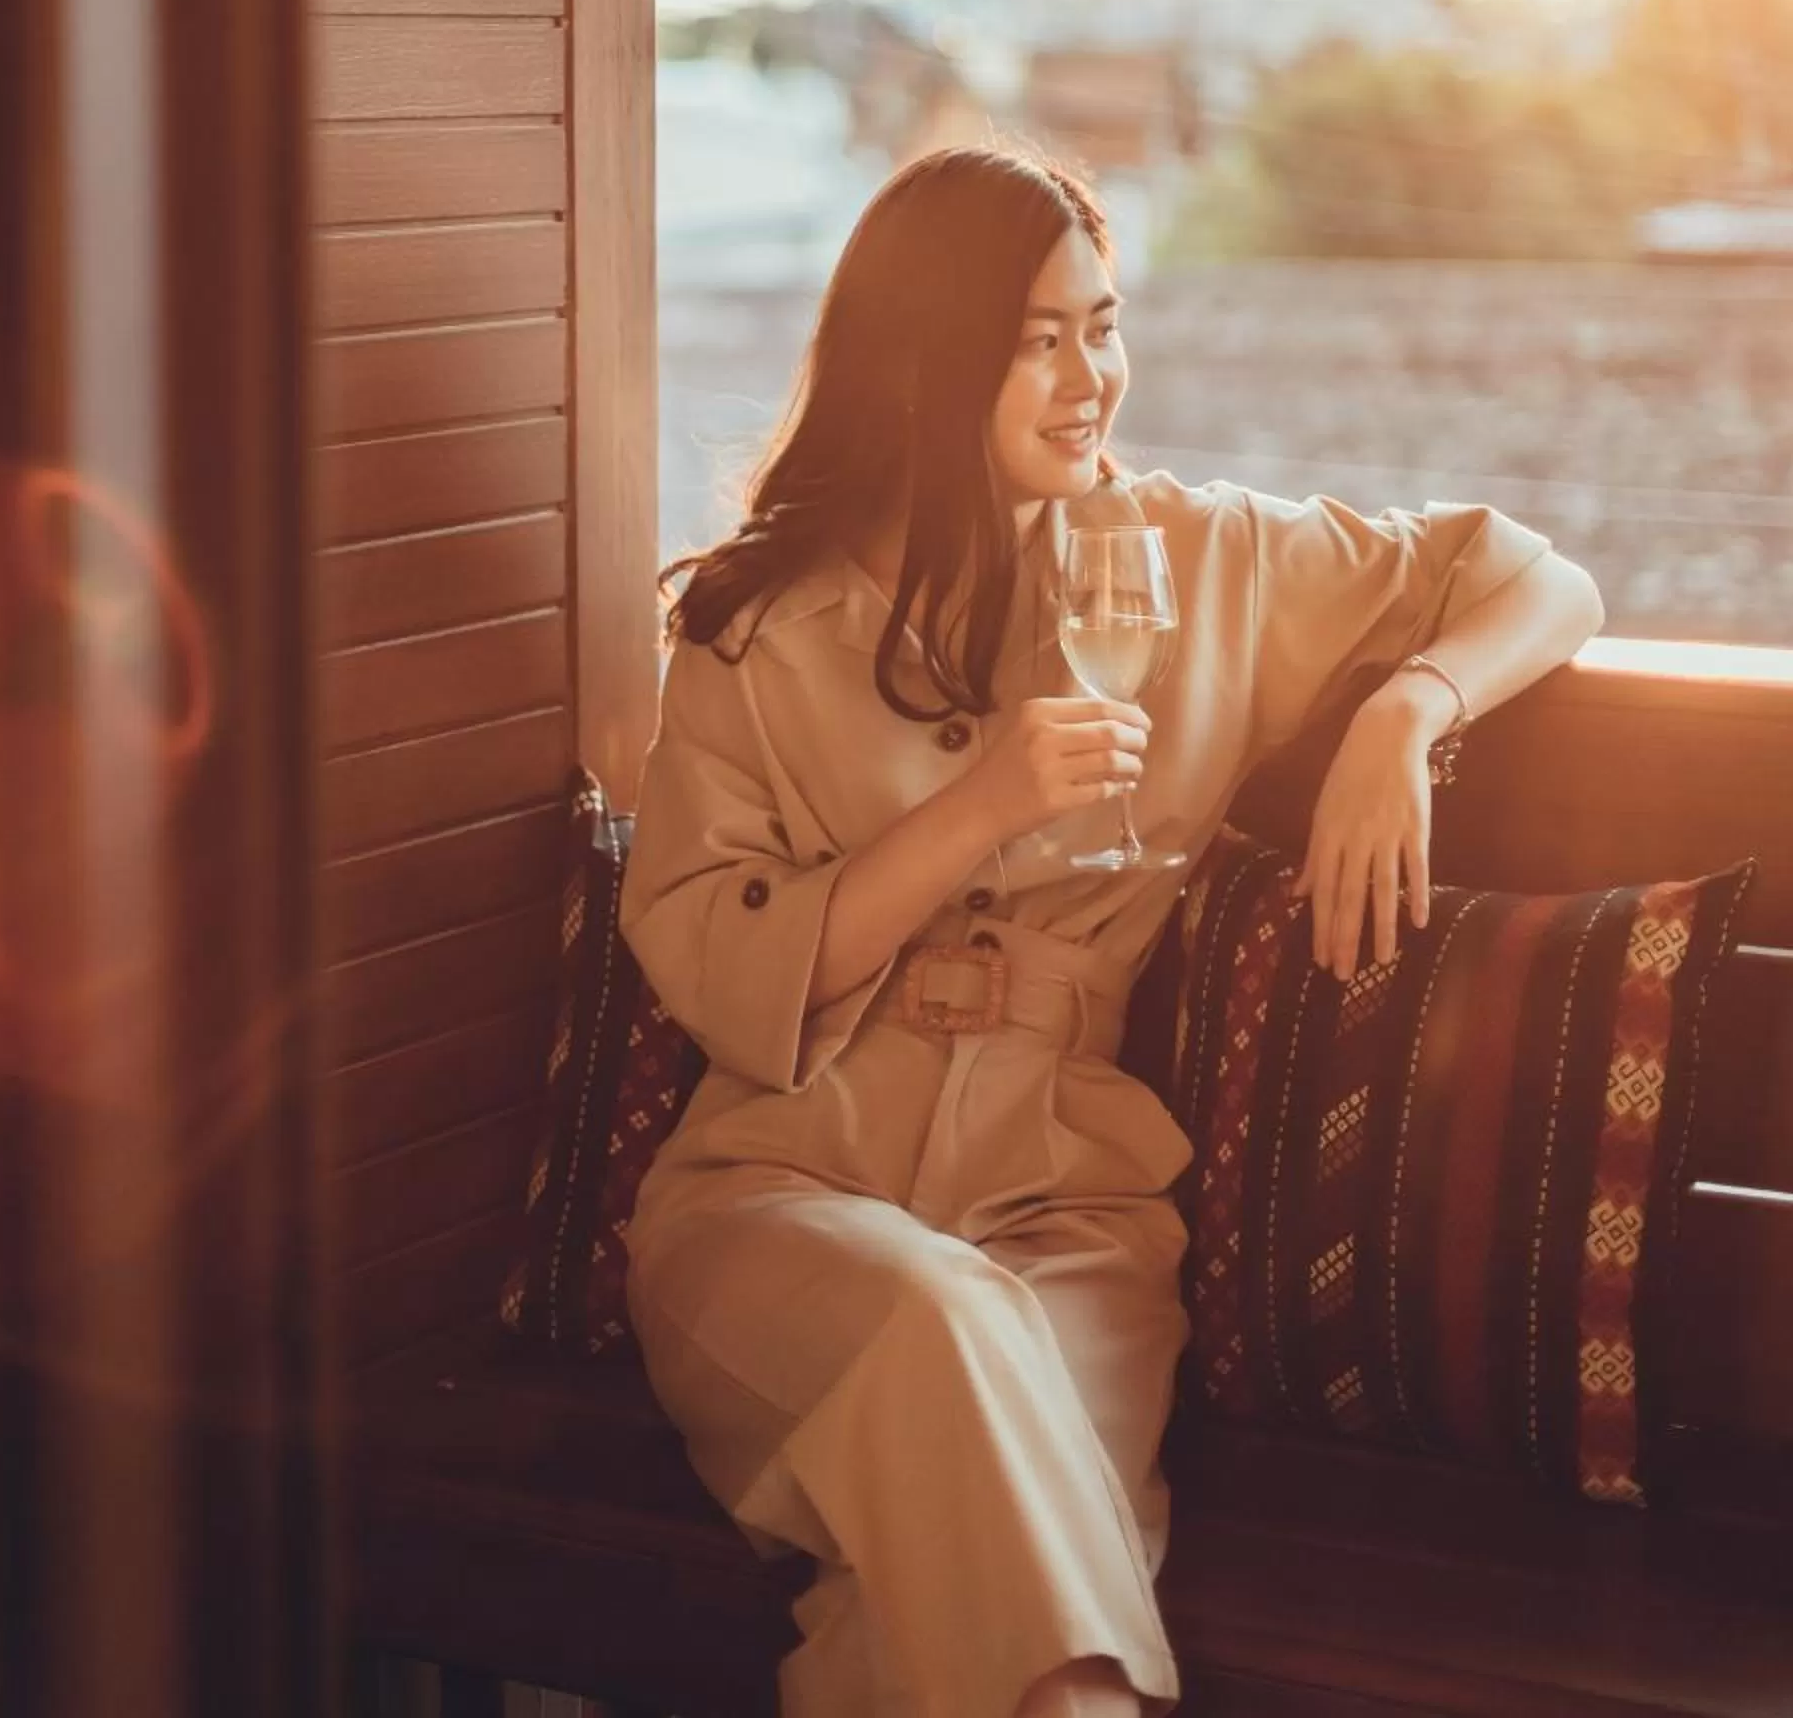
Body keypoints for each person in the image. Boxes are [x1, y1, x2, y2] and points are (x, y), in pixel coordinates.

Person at [620, 145, 1603, 1718]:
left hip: (1065, 1214)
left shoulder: (1197, 560)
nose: (1093, 377)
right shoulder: (755, 629)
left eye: (1105, 322)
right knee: (955, 1369)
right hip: (778, 1198)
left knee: (1000, 1637)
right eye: (1039, 337)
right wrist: (977, 807)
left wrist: (1405, 714)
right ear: (931, 357)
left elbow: (1537, 578)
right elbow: (707, 965)